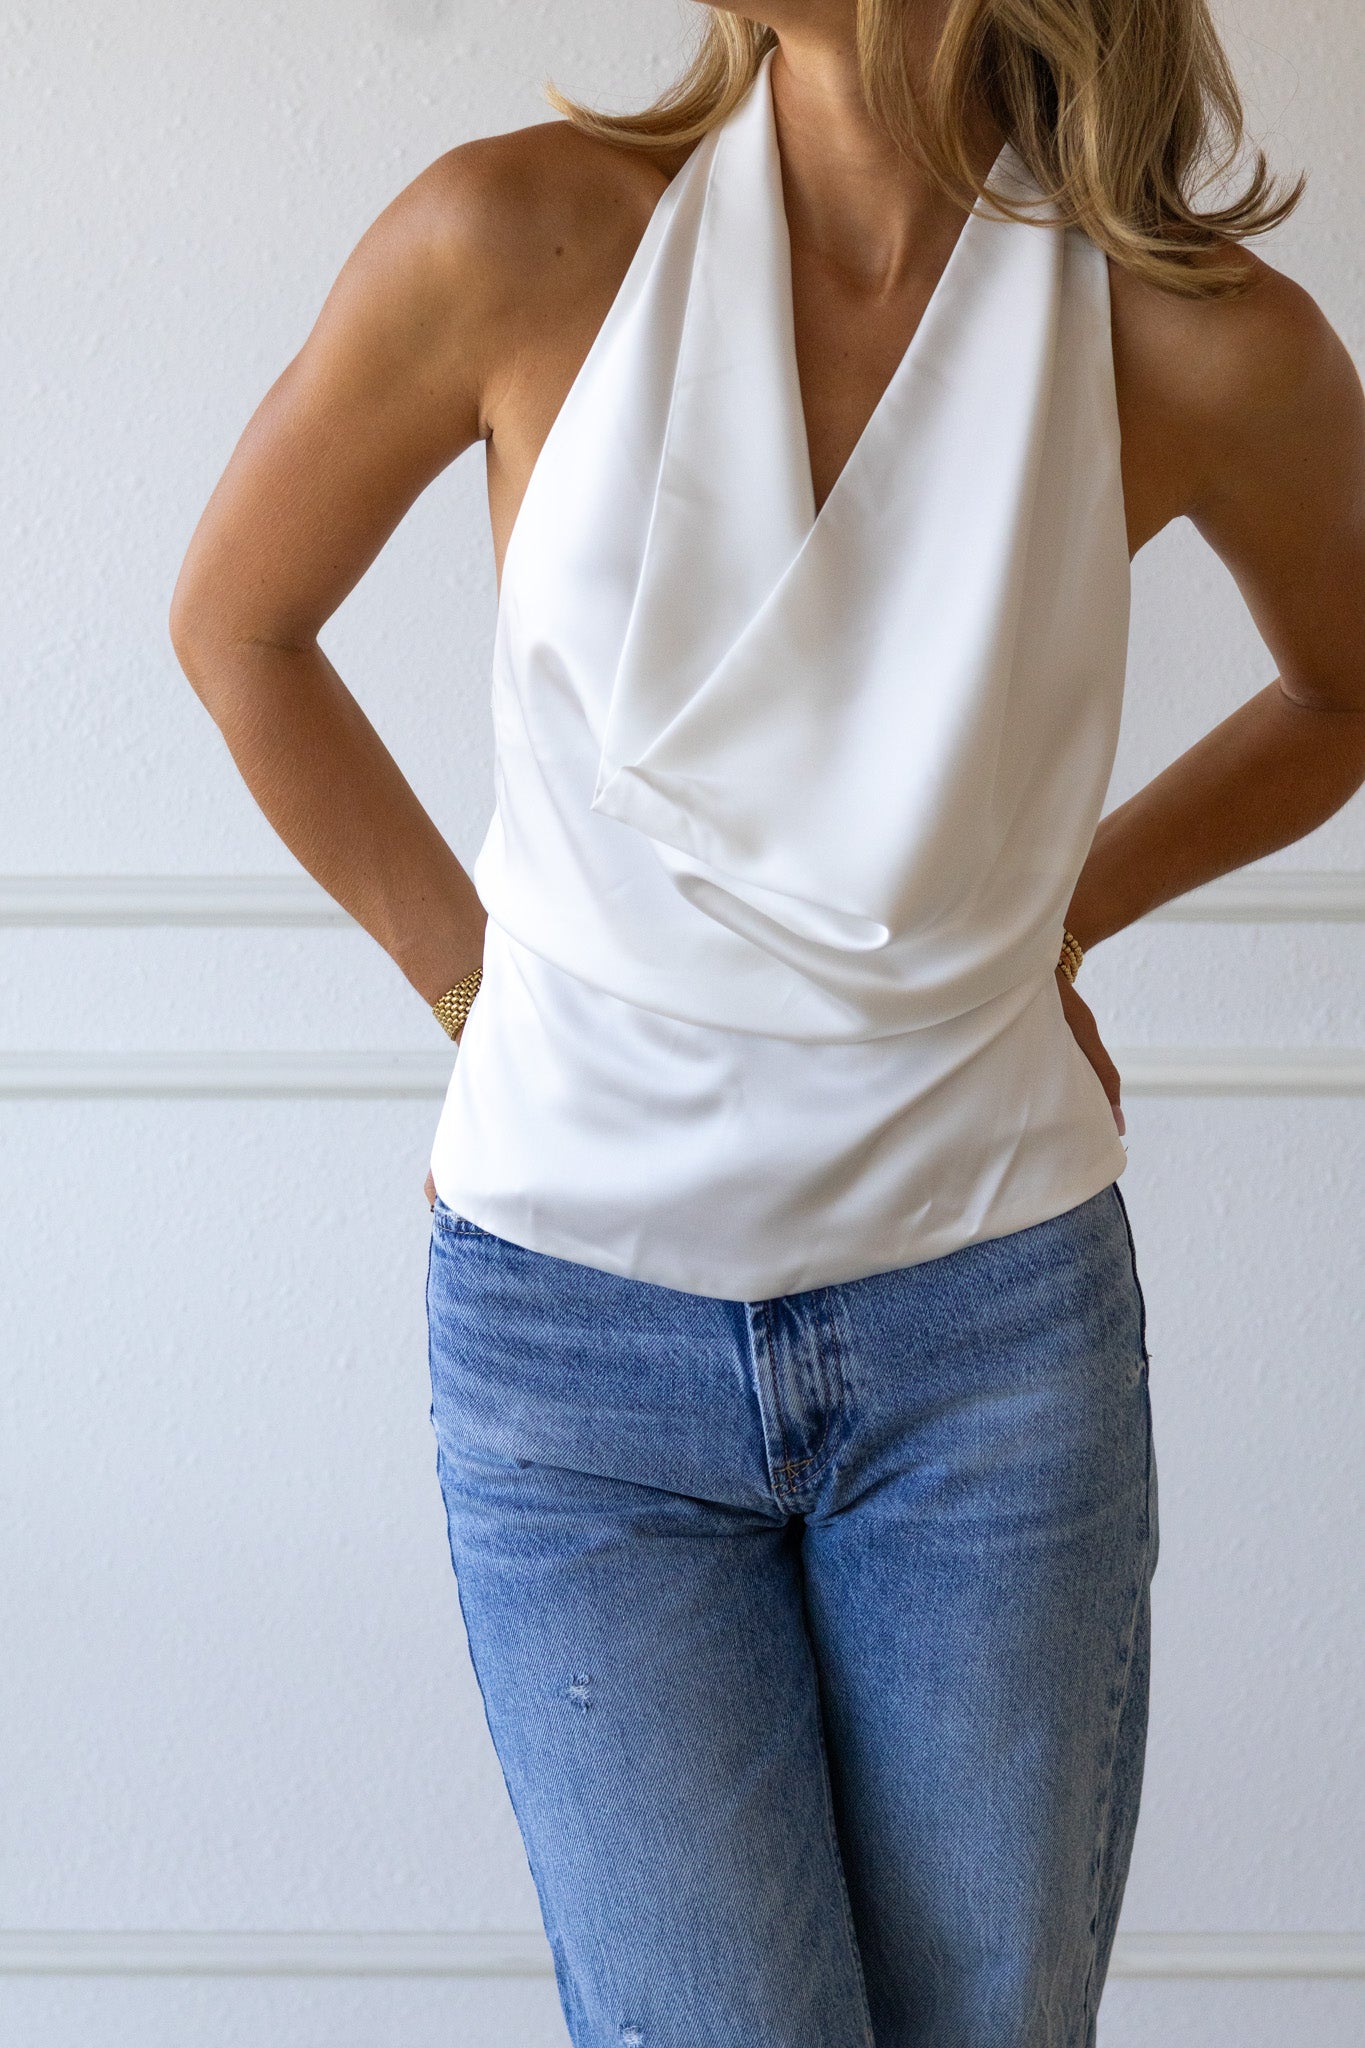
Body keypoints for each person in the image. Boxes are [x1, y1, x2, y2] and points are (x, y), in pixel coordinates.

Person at [169, 3, 1365, 2041]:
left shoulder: (1194, 341)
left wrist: (1057, 916)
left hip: (986, 1333)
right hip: (572, 1340)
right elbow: (239, 625)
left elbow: (1343, 686)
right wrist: (469, 988)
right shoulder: (512, 239)